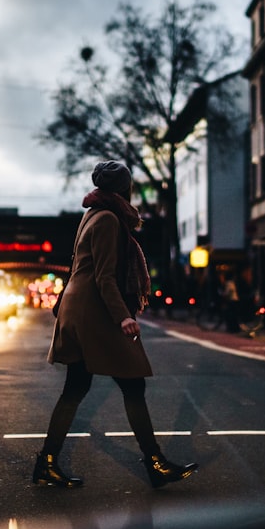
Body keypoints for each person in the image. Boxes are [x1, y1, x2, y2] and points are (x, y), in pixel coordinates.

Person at [33, 161, 197, 489]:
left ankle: (46, 462)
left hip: (80, 308)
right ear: (125, 189)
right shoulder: (109, 219)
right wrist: (123, 316)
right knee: (133, 384)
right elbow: (104, 275)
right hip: (94, 311)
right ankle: (155, 464)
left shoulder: (92, 213)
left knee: (77, 387)